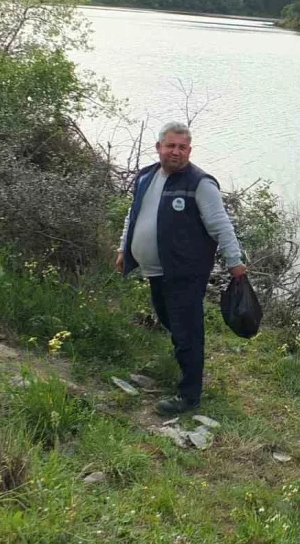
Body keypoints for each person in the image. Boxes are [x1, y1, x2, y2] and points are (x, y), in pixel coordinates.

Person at [116, 121, 247, 415]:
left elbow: (221, 226)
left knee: (187, 331)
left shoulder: (200, 183)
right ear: (159, 147)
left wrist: (235, 263)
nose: (176, 152)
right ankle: (186, 372)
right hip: (155, 272)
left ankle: (189, 396)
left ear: (189, 150)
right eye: (171, 146)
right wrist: (123, 248)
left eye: (182, 147)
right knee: (173, 324)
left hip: (184, 273)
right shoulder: (146, 177)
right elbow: (133, 215)